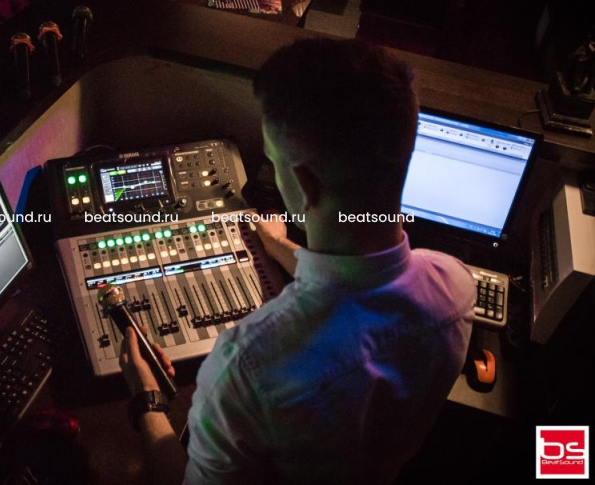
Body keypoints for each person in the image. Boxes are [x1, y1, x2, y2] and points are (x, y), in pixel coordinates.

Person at [119, 38, 476, 485]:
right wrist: (282, 247)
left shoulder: (246, 368)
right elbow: (361, 284)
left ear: (305, 184)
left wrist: (147, 400)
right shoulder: (456, 286)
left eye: (274, 163)